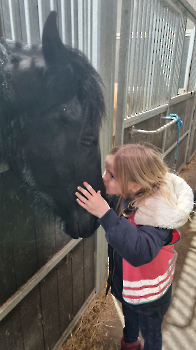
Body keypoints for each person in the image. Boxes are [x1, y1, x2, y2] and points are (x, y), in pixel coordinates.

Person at [75, 143, 194, 350]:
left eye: (111, 175)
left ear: (135, 185)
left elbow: (139, 251)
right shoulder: (129, 195)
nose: (104, 178)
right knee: (129, 320)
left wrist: (105, 213)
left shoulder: (158, 213)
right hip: (130, 287)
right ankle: (130, 344)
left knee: (151, 333)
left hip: (151, 297)